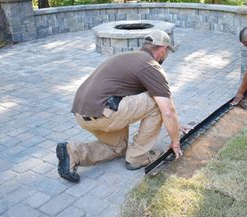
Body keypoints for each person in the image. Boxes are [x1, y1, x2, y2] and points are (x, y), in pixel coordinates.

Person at [56, 30, 185, 183]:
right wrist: (176, 142)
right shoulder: (151, 66)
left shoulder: (127, 58)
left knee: (117, 148)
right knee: (157, 104)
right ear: (163, 49)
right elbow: (168, 111)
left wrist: (176, 126)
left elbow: (168, 112)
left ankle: (73, 153)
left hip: (82, 114)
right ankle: (137, 157)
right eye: (168, 51)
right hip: (103, 113)